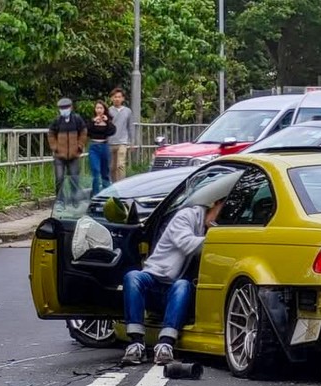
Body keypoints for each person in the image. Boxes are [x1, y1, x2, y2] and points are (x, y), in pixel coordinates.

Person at [121, 177, 235, 366]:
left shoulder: (209, 227)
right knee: (133, 277)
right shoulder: (186, 216)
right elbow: (188, 244)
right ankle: (136, 343)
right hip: (154, 280)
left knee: (182, 286)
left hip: (176, 290)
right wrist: (220, 238)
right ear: (215, 203)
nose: (220, 221)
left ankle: (165, 344)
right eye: (221, 213)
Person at [47, 98, 87, 207]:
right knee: (59, 178)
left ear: (71, 108)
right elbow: (50, 134)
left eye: (66, 108)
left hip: (73, 155)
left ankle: (75, 199)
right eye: (62, 108)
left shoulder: (77, 119)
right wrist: (55, 147)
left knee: (74, 178)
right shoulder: (57, 121)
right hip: (60, 155)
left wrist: (80, 146)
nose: (64, 110)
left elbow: (83, 132)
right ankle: (60, 199)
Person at [87, 100, 115, 194]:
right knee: (95, 171)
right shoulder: (92, 120)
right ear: (95, 110)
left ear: (104, 109)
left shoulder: (107, 120)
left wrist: (107, 122)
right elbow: (86, 132)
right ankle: (95, 194)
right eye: (97, 108)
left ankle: (107, 193)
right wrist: (93, 122)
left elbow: (112, 131)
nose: (99, 110)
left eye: (101, 108)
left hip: (104, 146)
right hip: (94, 147)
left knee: (105, 172)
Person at [107, 87, 134, 183]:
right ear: (112, 98)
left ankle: (122, 184)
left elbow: (130, 127)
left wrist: (132, 142)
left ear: (123, 99)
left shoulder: (127, 111)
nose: (117, 99)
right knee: (112, 167)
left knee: (121, 165)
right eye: (115, 97)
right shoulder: (108, 111)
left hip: (123, 141)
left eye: (119, 97)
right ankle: (113, 185)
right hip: (110, 142)